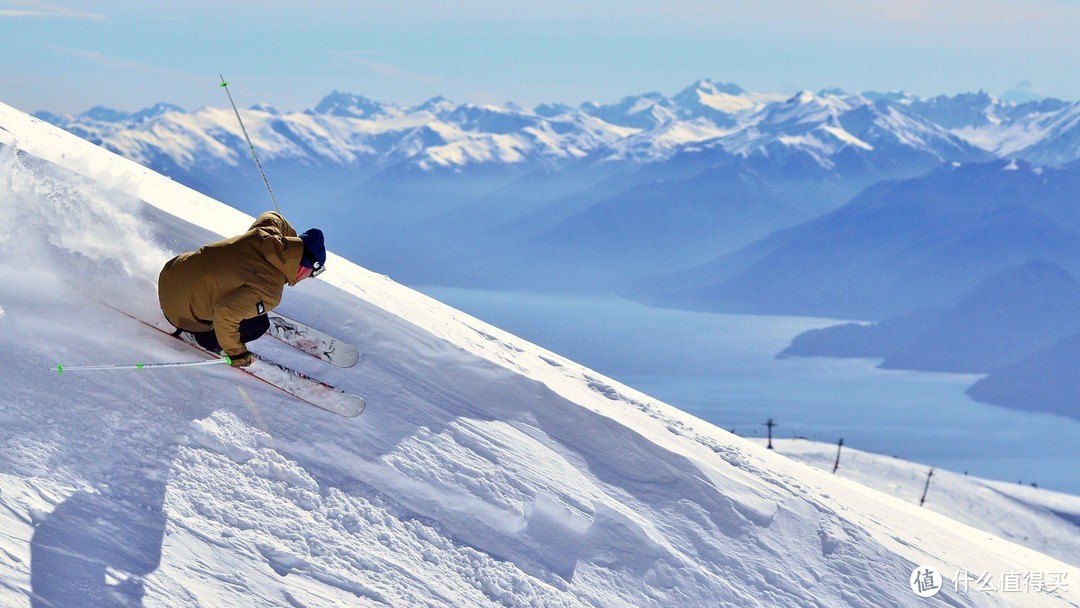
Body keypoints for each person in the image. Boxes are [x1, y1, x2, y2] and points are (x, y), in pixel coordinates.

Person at [157, 211, 326, 367]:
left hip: (169, 274)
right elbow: (225, 314)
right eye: (313, 273)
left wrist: (291, 243)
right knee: (259, 324)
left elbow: (273, 216)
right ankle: (202, 336)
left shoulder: (266, 233)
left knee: (236, 290)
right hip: (179, 314)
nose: (308, 278)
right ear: (306, 267)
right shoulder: (271, 291)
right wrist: (237, 354)